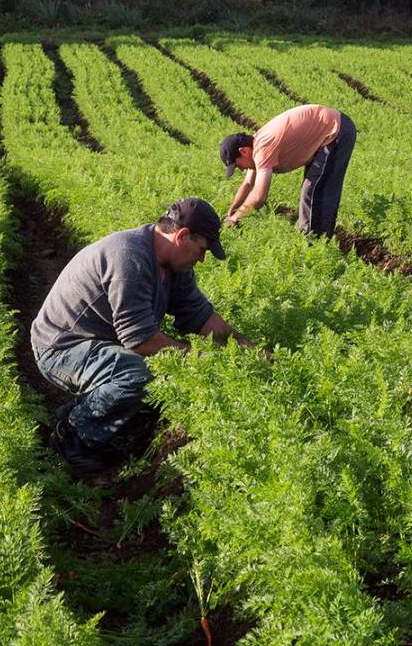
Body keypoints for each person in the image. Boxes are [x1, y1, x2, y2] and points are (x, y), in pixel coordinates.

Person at [32, 197, 250, 474]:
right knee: (138, 374)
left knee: (152, 378)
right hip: (60, 349)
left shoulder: (174, 265)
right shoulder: (130, 258)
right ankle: (73, 438)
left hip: (97, 343)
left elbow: (201, 316)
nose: (202, 258)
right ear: (182, 236)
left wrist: (247, 349)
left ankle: (80, 410)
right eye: (203, 249)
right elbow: (140, 340)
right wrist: (199, 357)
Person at [220, 103, 356, 237]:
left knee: (313, 190)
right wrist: (233, 210)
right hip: (330, 128)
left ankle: (312, 242)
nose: (242, 169)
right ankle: (320, 239)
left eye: (238, 165)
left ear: (243, 151)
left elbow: (259, 197)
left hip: (336, 131)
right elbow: (248, 184)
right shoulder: (256, 144)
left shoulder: (263, 148)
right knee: (317, 188)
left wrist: (235, 218)